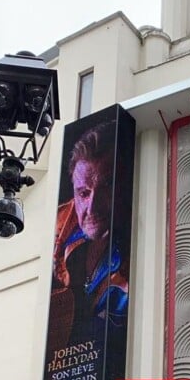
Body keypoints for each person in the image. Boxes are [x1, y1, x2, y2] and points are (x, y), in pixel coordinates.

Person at [49, 121, 129, 350]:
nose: (92, 207)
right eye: (84, 193)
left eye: (105, 189)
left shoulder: (137, 250)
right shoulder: (58, 225)